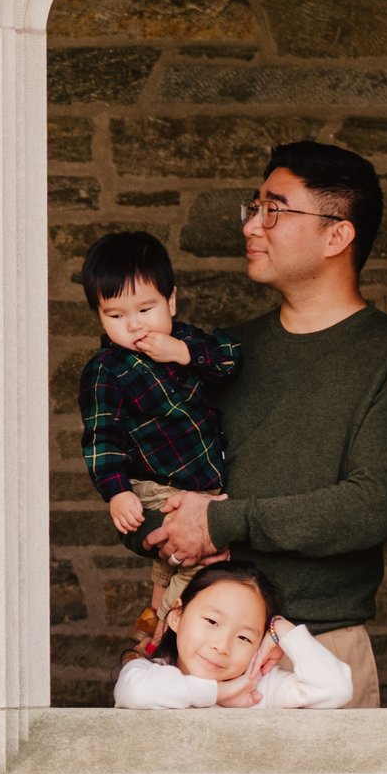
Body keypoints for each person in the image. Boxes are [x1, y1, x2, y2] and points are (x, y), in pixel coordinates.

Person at [142, 141, 387, 709]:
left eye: (274, 210)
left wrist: (223, 521)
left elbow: (368, 507)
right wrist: (160, 528)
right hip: (193, 658)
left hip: (316, 654)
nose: (254, 225)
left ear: (337, 236)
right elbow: (157, 476)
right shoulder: (222, 353)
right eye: (253, 208)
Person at [76, 230, 240, 634]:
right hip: (155, 483)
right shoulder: (107, 370)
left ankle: (151, 620)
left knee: (167, 566)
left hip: (197, 478)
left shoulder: (185, 341)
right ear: (99, 315)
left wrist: (181, 352)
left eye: (146, 309)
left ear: (171, 300)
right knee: (197, 557)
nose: (133, 325)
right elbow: (101, 437)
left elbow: (230, 360)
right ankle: (166, 633)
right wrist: (116, 492)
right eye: (115, 315)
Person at [112, 563, 353, 710]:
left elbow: (335, 688)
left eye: (244, 638)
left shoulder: (260, 689)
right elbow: (136, 694)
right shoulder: (147, 674)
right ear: (176, 616)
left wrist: (281, 629)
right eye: (212, 621)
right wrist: (222, 693)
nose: (222, 646)